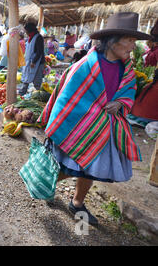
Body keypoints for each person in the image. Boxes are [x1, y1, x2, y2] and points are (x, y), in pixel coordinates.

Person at [39, 12, 152, 226]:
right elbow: (66, 97)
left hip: (104, 128)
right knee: (68, 167)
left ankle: (77, 203)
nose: (132, 47)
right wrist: (59, 122)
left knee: (90, 168)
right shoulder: (85, 65)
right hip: (78, 127)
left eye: (133, 42)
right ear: (113, 40)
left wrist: (119, 103)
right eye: (129, 40)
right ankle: (46, 184)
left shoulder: (125, 68)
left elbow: (128, 91)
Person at [18, 22, 45, 95]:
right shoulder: (30, 37)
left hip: (37, 63)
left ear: (29, 30)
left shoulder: (38, 37)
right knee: (26, 77)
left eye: (26, 30)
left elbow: (40, 51)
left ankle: (37, 95)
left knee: (37, 80)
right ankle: (22, 92)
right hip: (29, 62)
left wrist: (34, 61)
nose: (25, 32)